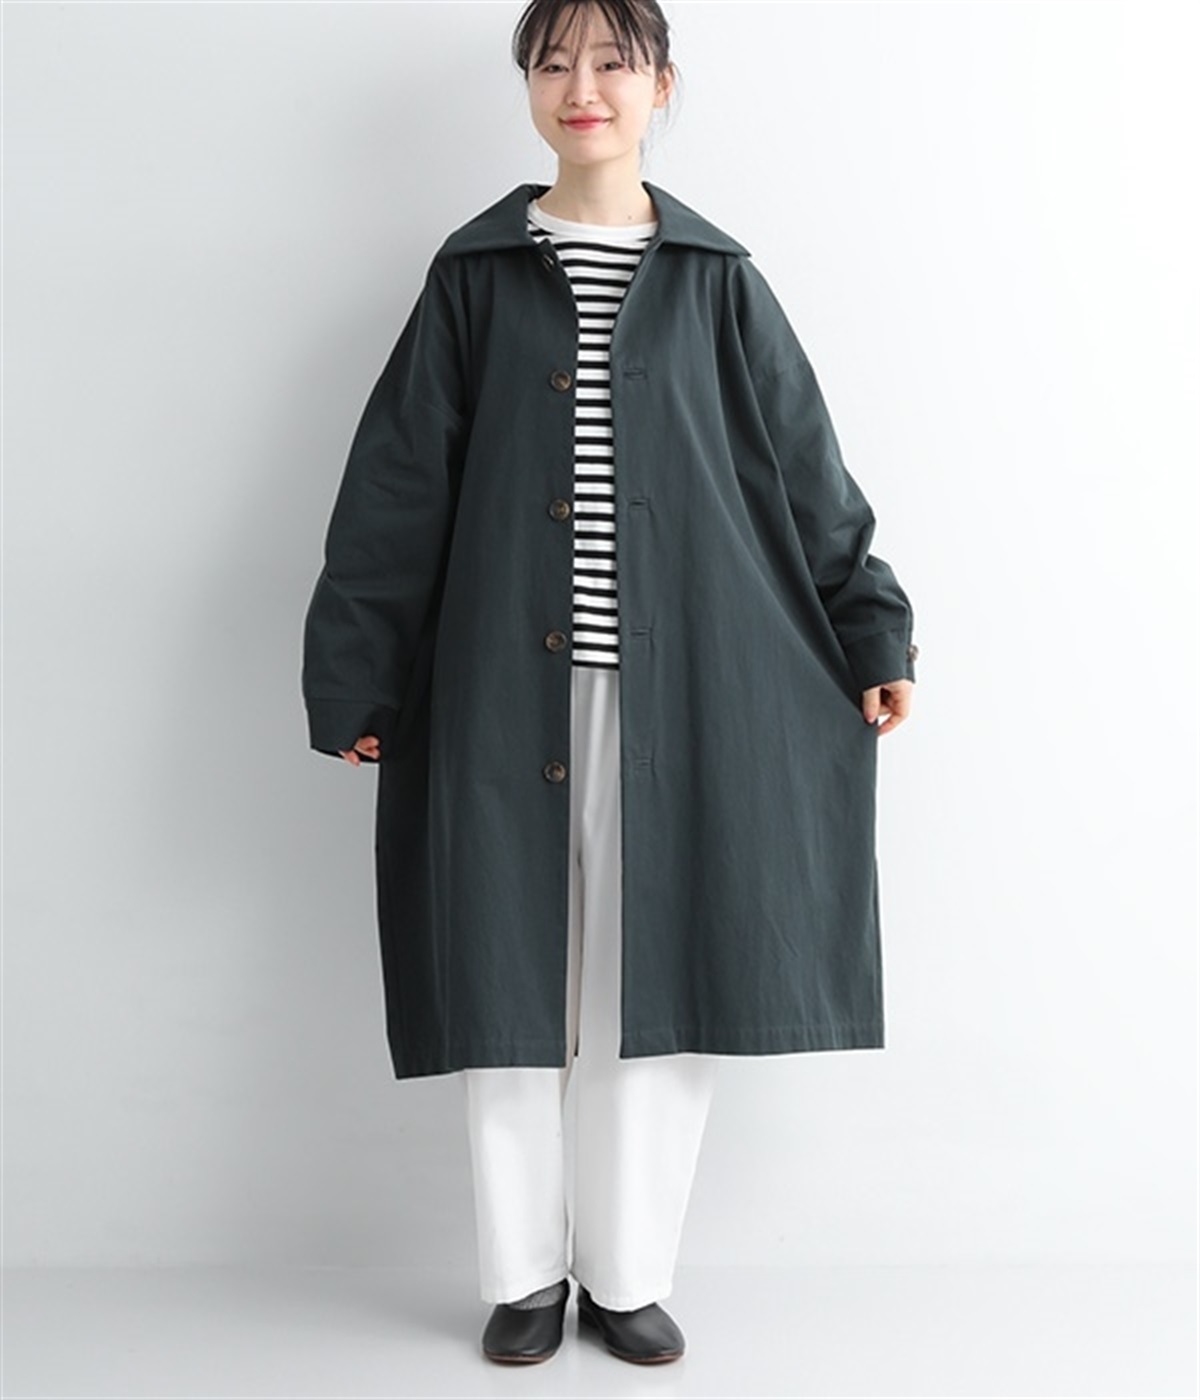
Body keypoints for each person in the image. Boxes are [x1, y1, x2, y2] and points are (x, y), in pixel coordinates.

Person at [301, 0, 917, 1368]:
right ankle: (524, 1279)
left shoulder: (717, 280)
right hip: (498, 696)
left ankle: (628, 1276)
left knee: (656, 983)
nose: (582, 85)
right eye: (553, 61)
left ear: (661, 86)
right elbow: (398, 485)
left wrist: (871, 630)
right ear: (528, 87)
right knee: (507, 976)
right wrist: (356, 669)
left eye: (611, 62)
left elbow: (808, 474)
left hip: (691, 696)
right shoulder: (473, 279)